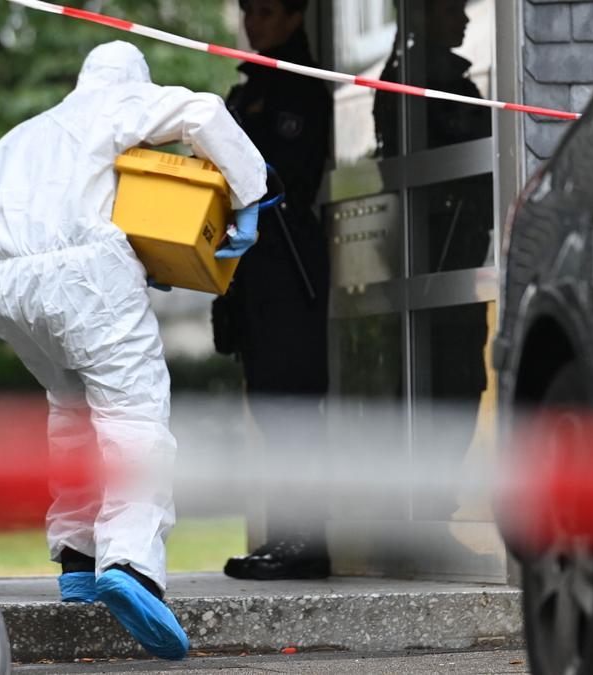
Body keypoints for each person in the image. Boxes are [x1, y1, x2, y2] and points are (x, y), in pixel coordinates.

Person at [0, 41, 265, 660]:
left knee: (72, 414)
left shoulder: (14, 140)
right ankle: (130, 565)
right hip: (86, 284)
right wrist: (250, 196)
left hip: (8, 291)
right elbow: (204, 113)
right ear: (129, 80)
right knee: (134, 416)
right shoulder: (114, 103)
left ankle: (77, 561)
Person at [213, 0, 334, 581]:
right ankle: (284, 533)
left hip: (287, 260)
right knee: (268, 402)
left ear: (295, 17)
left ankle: (305, 539)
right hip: (253, 269)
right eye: (246, 11)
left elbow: (277, 173)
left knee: (291, 402)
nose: (250, 23)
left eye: (263, 12)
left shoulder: (299, 88)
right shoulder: (248, 87)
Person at [374, 0, 492, 517]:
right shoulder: (415, 81)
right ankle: (423, 514)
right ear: (421, 17)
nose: (463, 19)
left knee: (462, 376)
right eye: (451, 10)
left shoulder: (445, 77)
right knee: (446, 378)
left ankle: (431, 510)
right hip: (436, 252)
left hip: (459, 251)